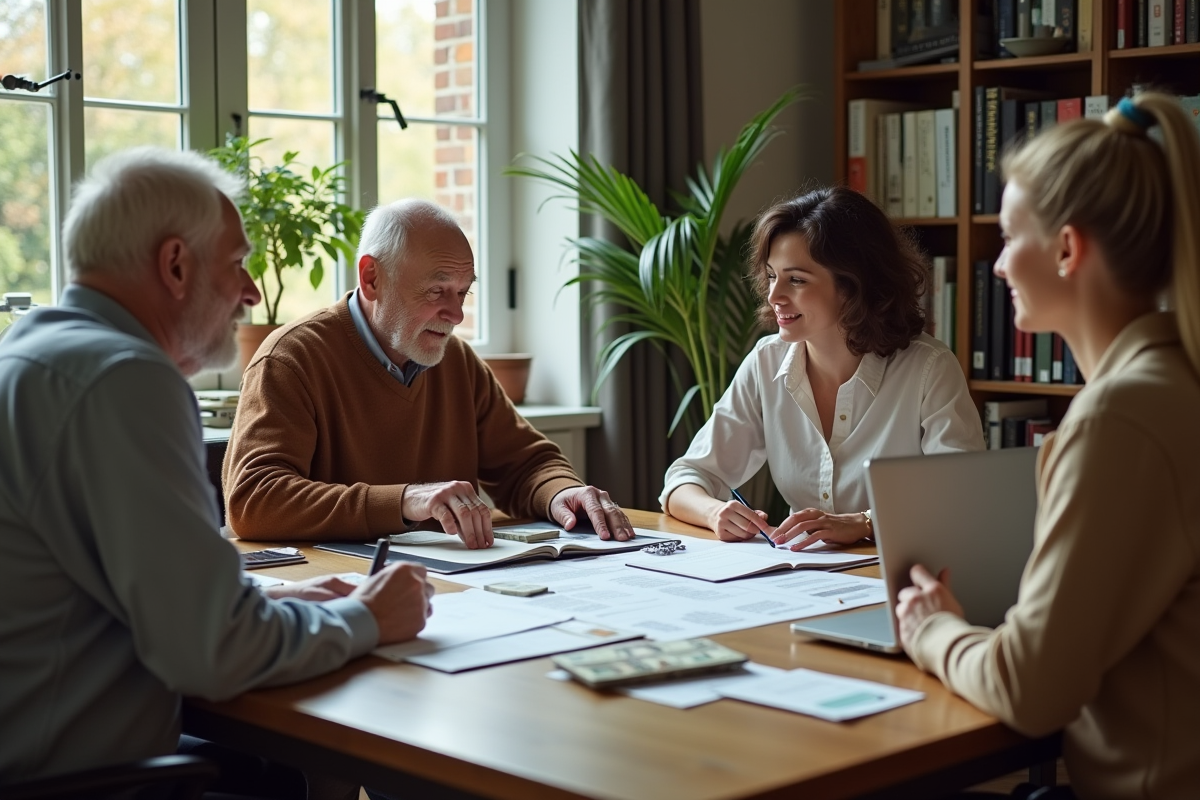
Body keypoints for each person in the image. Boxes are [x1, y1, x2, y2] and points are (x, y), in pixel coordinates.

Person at [0, 147, 434, 794]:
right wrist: (371, 617)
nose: (252, 291)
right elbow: (214, 653)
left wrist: (263, 602)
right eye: (236, 264)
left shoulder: (30, 354)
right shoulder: (125, 378)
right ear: (175, 265)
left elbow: (125, 592)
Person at [897, 92, 1200, 799]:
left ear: (1067, 248)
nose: (997, 265)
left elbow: (1030, 689)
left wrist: (933, 630)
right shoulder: (1174, 383)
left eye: (1008, 237)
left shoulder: (1119, 419)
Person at [223, 199, 633, 547]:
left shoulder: (456, 361)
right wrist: (405, 500)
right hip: (335, 592)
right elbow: (254, 501)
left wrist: (563, 492)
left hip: (451, 585)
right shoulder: (290, 359)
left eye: (463, 292)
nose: (455, 314)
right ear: (372, 278)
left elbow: (526, 464)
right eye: (437, 291)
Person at [660, 186, 984, 549]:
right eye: (771, 276)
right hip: (806, 578)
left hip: (905, 580)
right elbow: (686, 477)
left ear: (853, 286)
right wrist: (713, 512)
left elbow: (962, 499)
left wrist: (864, 523)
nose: (774, 295)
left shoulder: (929, 369)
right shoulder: (766, 363)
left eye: (796, 279)